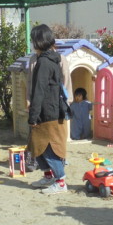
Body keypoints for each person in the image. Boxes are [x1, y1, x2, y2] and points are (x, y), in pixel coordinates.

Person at [27, 24, 69, 195]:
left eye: (32, 40)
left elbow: (39, 91)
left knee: (49, 148)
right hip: (51, 109)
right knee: (38, 146)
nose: (32, 44)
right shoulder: (52, 59)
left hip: (48, 112)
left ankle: (60, 182)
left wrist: (33, 116)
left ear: (38, 41)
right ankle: (48, 176)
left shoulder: (44, 62)